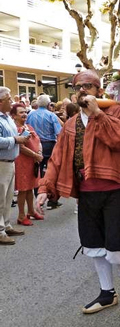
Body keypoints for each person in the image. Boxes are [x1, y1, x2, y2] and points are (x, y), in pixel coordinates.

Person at [35, 70, 120, 313]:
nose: (82, 89)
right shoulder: (70, 124)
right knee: (93, 243)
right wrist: (45, 187)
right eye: (78, 86)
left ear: (98, 91)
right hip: (86, 192)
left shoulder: (115, 112)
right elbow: (57, 159)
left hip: (115, 189)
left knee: (118, 242)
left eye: (88, 86)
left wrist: (98, 113)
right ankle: (106, 292)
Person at [0, 87, 29, 245]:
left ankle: (6, 225)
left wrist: (21, 135)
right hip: (1, 163)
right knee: (0, 198)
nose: (11, 102)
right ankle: (0, 231)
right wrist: (16, 140)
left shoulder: (6, 117)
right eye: (9, 99)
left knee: (8, 196)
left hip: (9, 162)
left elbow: (11, 135)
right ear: (0, 101)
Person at [10, 103, 44, 226]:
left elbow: (38, 140)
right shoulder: (15, 129)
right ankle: (21, 215)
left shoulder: (28, 126)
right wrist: (36, 155)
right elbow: (21, 147)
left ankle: (31, 211)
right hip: (22, 162)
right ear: (13, 116)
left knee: (30, 187)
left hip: (33, 161)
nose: (24, 114)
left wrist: (39, 151)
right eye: (21, 112)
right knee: (23, 189)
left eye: (25, 112)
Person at [27, 94, 62, 209]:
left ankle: (38, 196)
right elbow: (59, 132)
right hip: (49, 144)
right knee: (52, 171)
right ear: (48, 104)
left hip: (34, 144)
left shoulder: (30, 114)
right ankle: (52, 199)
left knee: (37, 171)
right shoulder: (51, 115)